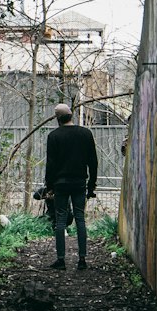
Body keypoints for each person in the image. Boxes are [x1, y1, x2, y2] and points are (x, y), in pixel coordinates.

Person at [44, 102, 98, 271]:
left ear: (58, 119)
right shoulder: (85, 134)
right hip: (79, 183)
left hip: (60, 184)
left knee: (60, 220)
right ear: (71, 115)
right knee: (80, 219)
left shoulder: (54, 136)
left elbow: (50, 165)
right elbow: (93, 162)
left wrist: (49, 186)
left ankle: (61, 260)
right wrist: (91, 186)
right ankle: (82, 260)